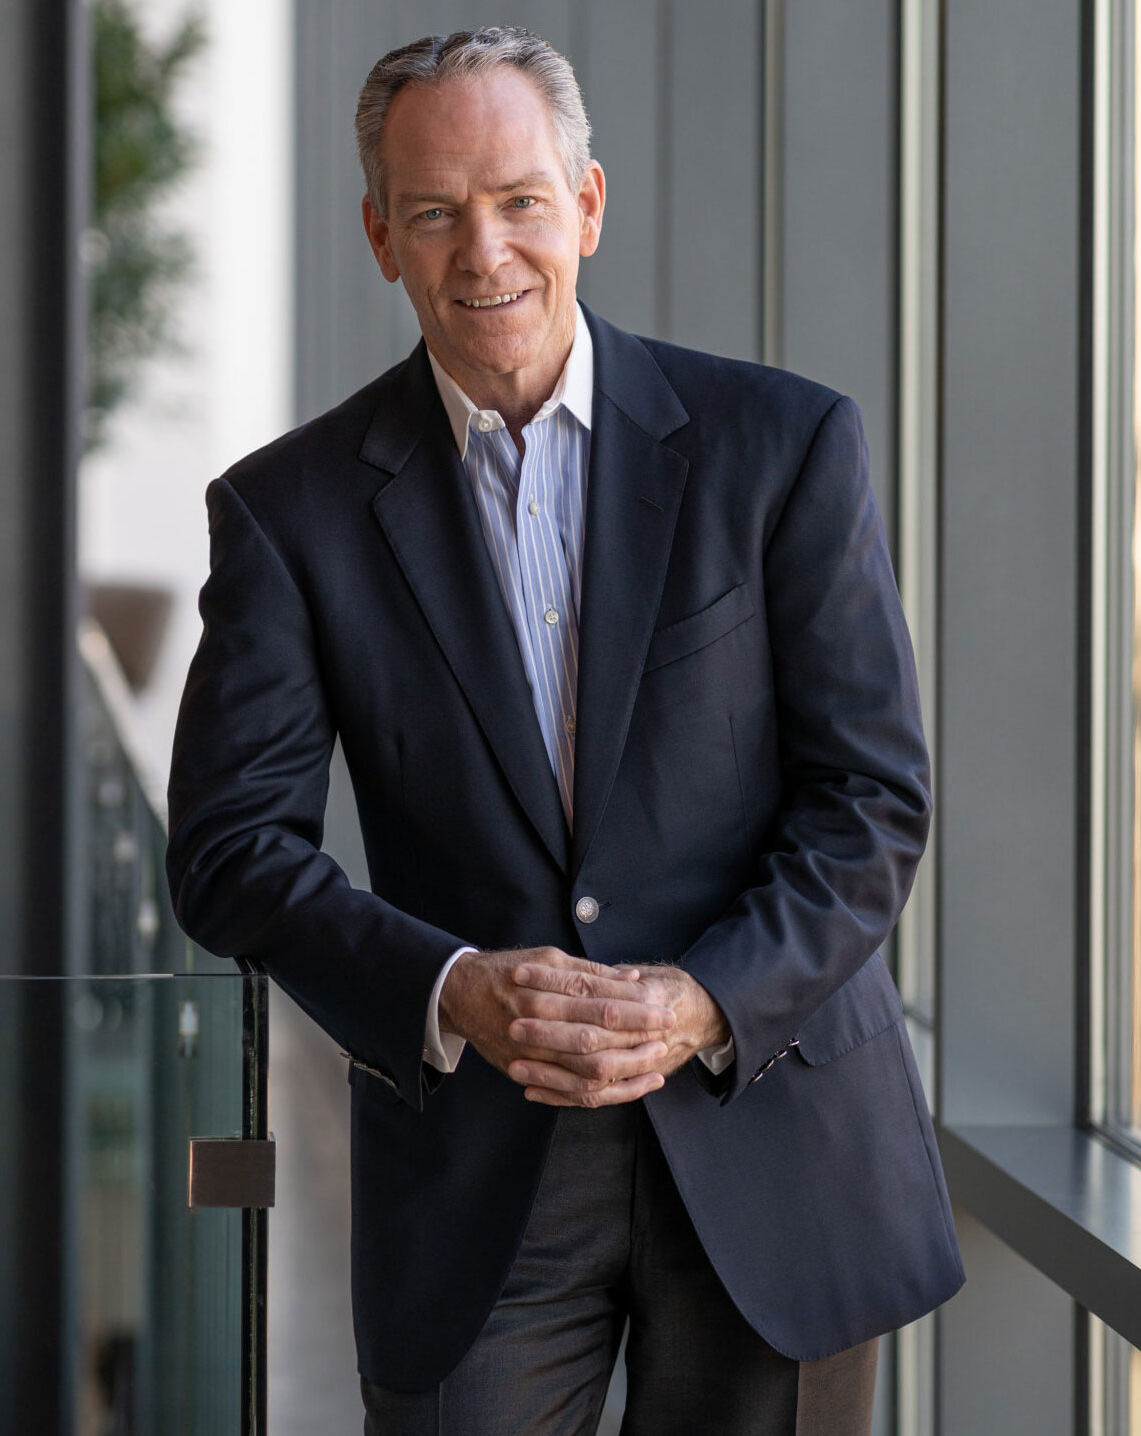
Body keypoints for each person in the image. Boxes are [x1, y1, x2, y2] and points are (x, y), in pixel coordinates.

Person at [166, 25, 963, 1436]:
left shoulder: (783, 449)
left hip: (771, 1137)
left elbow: (871, 801)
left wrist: (704, 999)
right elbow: (231, 851)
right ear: (380, 237)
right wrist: (452, 986)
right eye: (436, 213)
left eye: (520, 200)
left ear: (587, 205)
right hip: (480, 1172)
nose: (485, 253)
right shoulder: (287, 517)